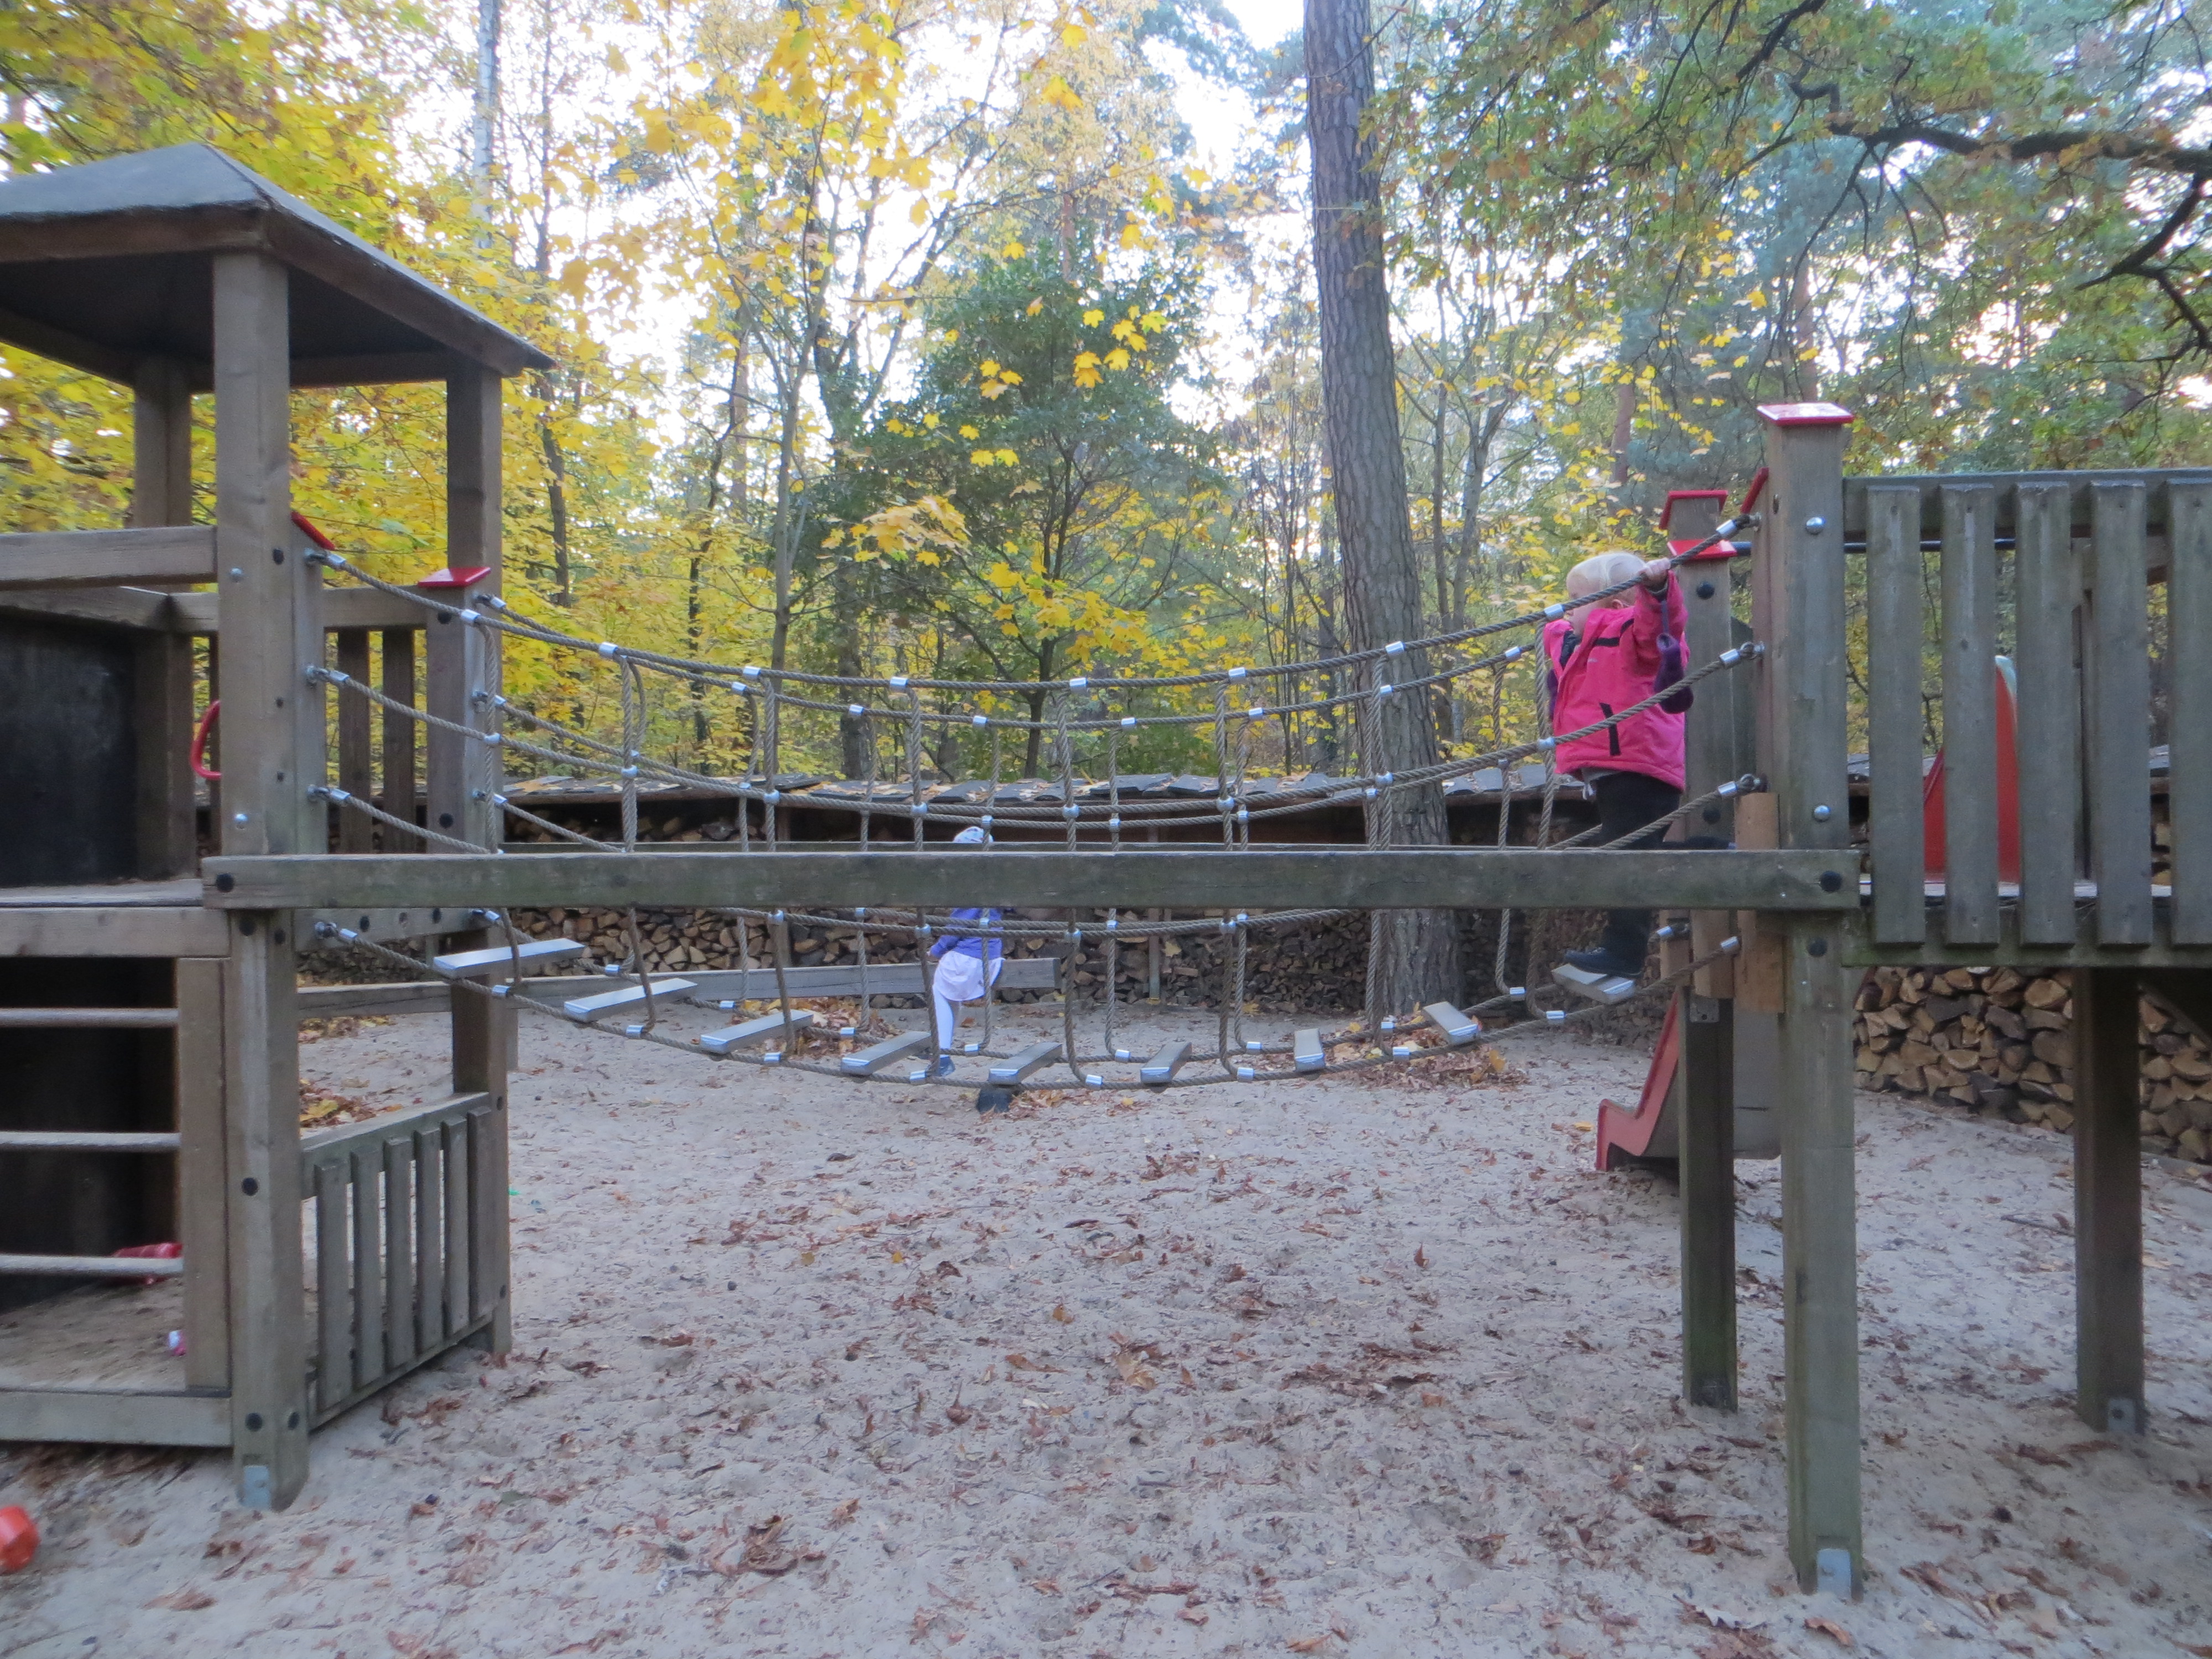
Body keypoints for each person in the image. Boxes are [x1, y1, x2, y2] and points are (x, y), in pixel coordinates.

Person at [1542, 549, 1691, 982]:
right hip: (1611, 770)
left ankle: (1624, 954)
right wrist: (1556, 624)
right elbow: (1559, 639)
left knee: (1625, 858)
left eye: (1577, 599)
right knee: (1629, 848)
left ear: (1615, 605)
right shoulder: (1579, 643)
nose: (1568, 608)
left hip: (1638, 766)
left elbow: (1659, 627)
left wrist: (1658, 591)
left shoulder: (1630, 634)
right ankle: (1712, 851)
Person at [927, 825, 1001, 1076]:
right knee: (950, 995)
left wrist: (937, 950)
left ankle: (942, 1055)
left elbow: (957, 928)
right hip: (990, 957)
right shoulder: (995, 885)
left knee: (938, 992)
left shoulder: (972, 888)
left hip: (967, 957)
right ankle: (943, 1045)